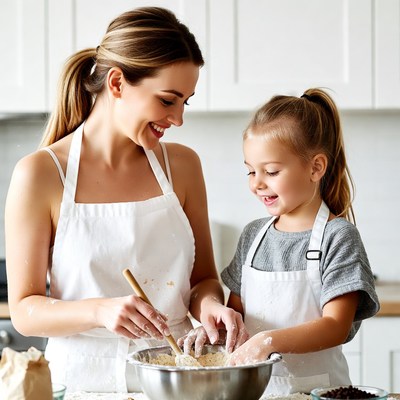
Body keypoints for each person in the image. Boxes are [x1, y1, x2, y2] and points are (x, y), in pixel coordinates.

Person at [4, 7, 247, 393]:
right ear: (117, 83)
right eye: (168, 100)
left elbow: (202, 280)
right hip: (82, 382)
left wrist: (211, 308)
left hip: (174, 378)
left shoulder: (182, 166)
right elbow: (24, 310)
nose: (178, 118)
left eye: (186, 102)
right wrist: (101, 310)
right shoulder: (39, 175)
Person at [219, 88, 380, 394]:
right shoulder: (253, 236)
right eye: (251, 171)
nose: (257, 183)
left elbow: (336, 327)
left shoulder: (339, 237)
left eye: (271, 171)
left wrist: (268, 341)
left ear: (315, 167)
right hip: (255, 392)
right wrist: (217, 327)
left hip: (318, 391)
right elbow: (236, 315)